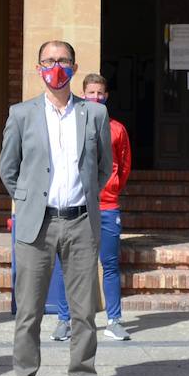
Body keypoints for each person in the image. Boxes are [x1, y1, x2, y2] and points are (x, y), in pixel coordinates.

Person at [0, 41, 112, 376]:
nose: (56, 67)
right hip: (38, 224)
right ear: (38, 68)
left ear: (75, 66)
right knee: (28, 311)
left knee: (83, 313)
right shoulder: (21, 114)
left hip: (80, 221)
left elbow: (103, 167)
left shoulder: (94, 113)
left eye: (63, 61)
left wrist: (84, 197)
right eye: (49, 61)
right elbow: (7, 167)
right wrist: (28, 198)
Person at [48, 73, 133, 341]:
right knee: (67, 265)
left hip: (107, 205)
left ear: (106, 96)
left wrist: (113, 187)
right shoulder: (72, 125)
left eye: (100, 93)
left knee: (109, 264)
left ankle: (114, 320)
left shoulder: (117, 129)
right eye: (91, 92)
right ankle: (65, 320)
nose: (95, 97)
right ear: (83, 94)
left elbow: (125, 164)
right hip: (79, 205)